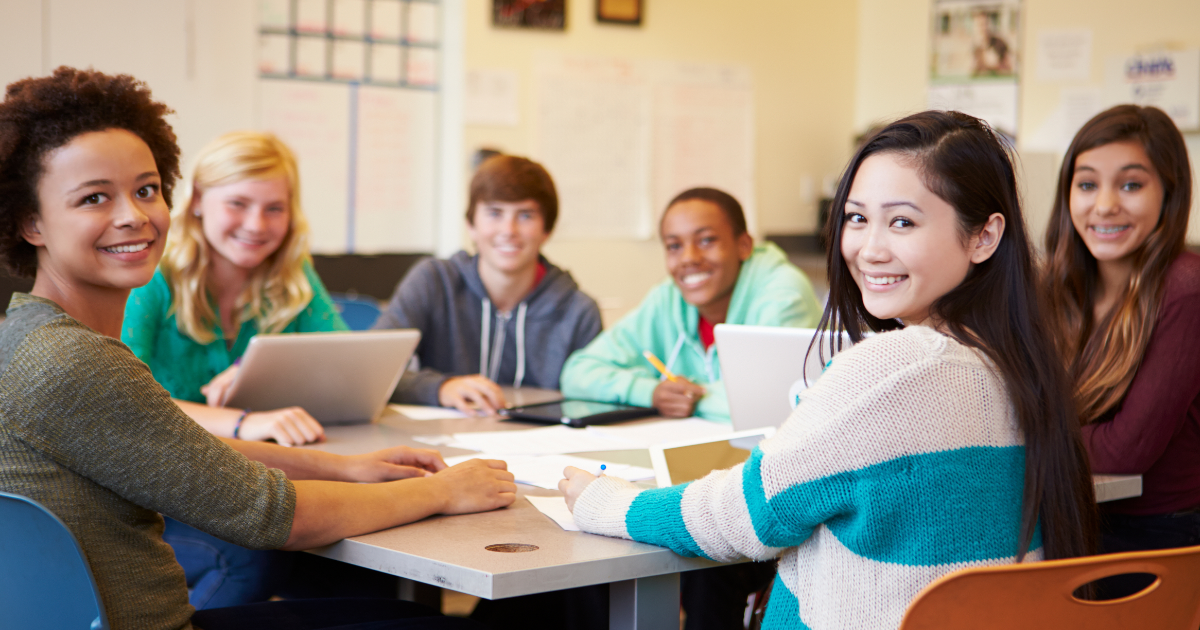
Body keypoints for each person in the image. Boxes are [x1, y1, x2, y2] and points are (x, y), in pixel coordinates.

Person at [0, 66, 514, 630]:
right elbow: (273, 516)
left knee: (374, 602)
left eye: (146, 189)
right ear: (32, 223)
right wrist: (443, 491)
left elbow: (187, 446)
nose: (134, 215)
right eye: (94, 197)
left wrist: (346, 468)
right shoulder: (73, 361)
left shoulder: (30, 335)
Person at [559, 111, 1099, 629]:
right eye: (857, 218)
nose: (868, 249)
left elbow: (742, 518)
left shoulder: (891, 370)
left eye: (903, 222)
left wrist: (606, 502)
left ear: (984, 235)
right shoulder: (1022, 363)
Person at [1041, 105, 1200, 596]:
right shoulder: (1057, 286)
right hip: (1073, 517)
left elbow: (1125, 450)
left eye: (1131, 185)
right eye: (1087, 185)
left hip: (1157, 540)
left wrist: (1033, 431)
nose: (1105, 205)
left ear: (1168, 195)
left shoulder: (1185, 289)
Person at [123, 130, 343, 448]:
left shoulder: (292, 274)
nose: (256, 225)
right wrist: (243, 422)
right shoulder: (151, 275)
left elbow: (347, 369)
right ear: (197, 199)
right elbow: (123, 401)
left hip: (264, 462)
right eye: (238, 204)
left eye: (275, 209)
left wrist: (258, 371)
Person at [560, 187, 821, 423]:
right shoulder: (667, 297)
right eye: (674, 246)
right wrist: (650, 392)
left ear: (743, 245)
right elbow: (578, 372)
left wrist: (687, 397)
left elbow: (772, 404)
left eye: (706, 240)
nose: (688, 258)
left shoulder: (783, 295)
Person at [373, 155, 601, 415]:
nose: (508, 229)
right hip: (442, 443)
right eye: (494, 213)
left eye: (525, 215)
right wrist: (439, 388)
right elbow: (371, 371)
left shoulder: (578, 312)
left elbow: (593, 397)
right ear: (471, 224)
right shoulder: (434, 282)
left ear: (546, 230)